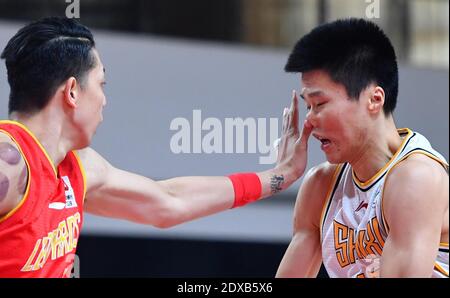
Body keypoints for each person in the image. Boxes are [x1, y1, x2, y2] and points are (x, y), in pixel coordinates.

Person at [0, 17, 313, 277]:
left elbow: (168, 202)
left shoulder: (79, 167)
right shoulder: (10, 161)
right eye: (101, 85)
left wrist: (279, 177)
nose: (105, 100)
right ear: (72, 91)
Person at [275, 18, 449, 278]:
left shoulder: (416, 178)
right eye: (308, 105)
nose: (309, 120)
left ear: (374, 100)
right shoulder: (320, 186)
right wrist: (279, 177)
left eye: (319, 104)